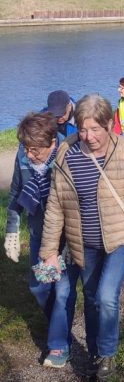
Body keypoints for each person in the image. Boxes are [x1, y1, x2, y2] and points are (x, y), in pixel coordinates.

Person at [39, 94, 124, 382]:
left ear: (109, 124)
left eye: (95, 129)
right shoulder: (66, 153)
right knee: (91, 299)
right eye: (83, 130)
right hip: (84, 242)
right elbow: (56, 205)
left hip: (121, 238)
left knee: (107, 295)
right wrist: (49, 251)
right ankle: (96, 353)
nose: (89, 137)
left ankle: (107, 356)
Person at [4, 112, 80, 368]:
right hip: (40, 232)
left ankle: (59, 345)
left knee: (63, 290)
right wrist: (12, 230)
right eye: (26, 148)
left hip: (67, 235)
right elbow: (16, 192)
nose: (29, 154)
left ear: (52, 143)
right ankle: (61, 324)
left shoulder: (67, 156)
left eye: (35, 150)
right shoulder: (24, 156)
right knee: (40, 286)